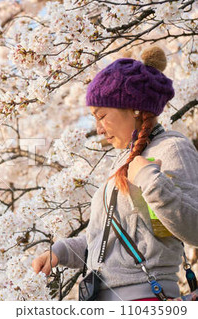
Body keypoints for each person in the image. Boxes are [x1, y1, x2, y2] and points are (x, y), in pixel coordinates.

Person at [32, 46, 198, 301]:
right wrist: (62, 252)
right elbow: (109, 241)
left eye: (102, 116)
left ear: (134, 108)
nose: (98, 129)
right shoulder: (122, 160)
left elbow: (194, 228)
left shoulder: (171, 147)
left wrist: (150, 181)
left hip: (145, 297)